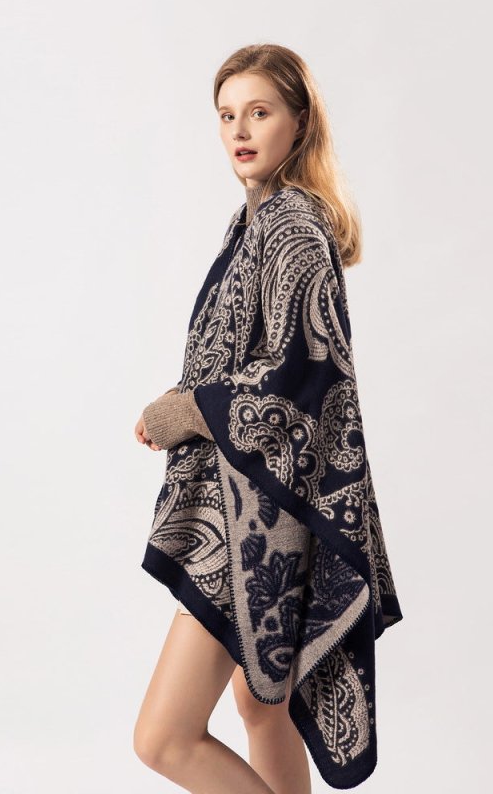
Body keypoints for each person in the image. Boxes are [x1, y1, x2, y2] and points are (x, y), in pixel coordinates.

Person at [132, 43, 403, 792]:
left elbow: (299, 378)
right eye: (227, 115)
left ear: (300, 122)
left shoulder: (291, 226)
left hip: (260, 514)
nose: (240, 131)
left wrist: (189, 410)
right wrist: (180, 403)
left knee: (164, 738)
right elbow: (240, 356)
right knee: (263, 709)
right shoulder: (251, 221)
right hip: (254, 496)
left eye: (259, 111)